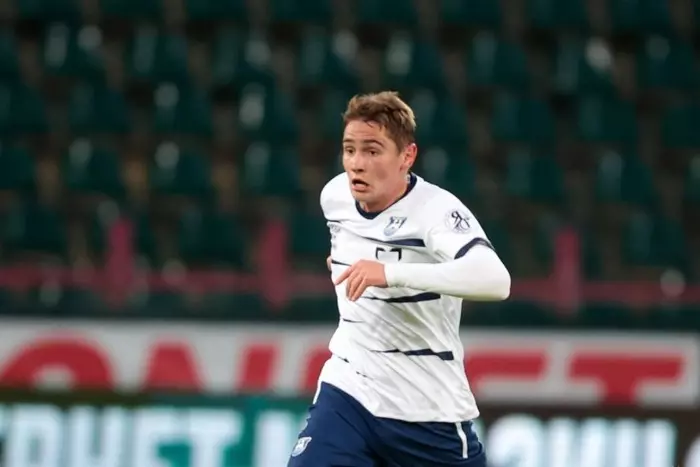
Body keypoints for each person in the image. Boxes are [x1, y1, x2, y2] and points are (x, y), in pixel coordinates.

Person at [287, 91, 511, 467]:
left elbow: (495, 280)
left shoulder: (435, 210)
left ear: (407, 156)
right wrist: (342, 263)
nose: (357, 164)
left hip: (426, 408)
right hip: (350, 388)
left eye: (372, 151)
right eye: (349, 149)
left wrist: (391, 274)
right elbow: (354, 246)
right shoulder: (335, 196)